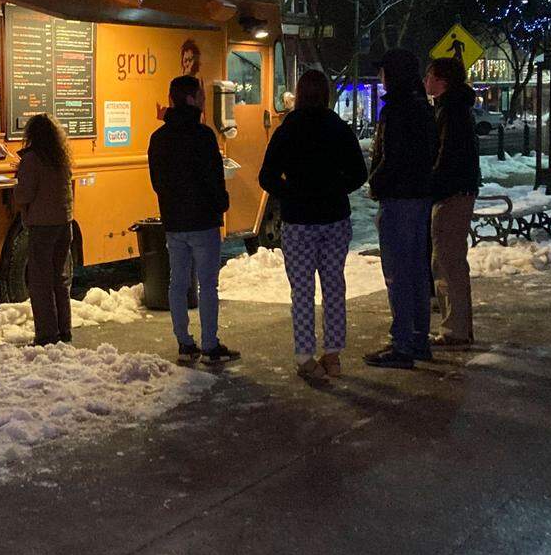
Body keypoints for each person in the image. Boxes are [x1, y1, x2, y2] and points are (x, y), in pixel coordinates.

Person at [259, 69, 367, 380]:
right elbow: (359, 174)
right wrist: (334, 189)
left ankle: (305, 356)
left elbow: (266, 176)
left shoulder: (287, 130)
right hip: (334, 219)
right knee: (334, 287)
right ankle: (332, 355)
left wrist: (292, 192)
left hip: (298, 222)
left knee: (302, 291)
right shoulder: (339, 128)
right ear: (327, 95)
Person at [148, 75, 239, 365]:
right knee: (207, 284)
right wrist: (220, 204)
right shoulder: (203, 136)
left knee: (177, 283)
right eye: (199, 95)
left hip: (174, 222)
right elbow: (214, 178)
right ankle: (210, 345)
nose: (203, 99)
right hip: (203, 221)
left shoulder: (159, 138)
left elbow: (157, 182)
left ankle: (185, 343)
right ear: (189, 98)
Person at [364, 48, 438, 369]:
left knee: (398, 272)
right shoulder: (422, 107)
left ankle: (403, 343)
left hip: (400, 199)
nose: (380, 77)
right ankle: (418, 339)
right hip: (419, 197)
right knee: (418, 270)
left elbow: (393, 158)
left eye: (383, 71)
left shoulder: (397, 110)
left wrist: (376, 182)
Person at [424, 57, 480, 349]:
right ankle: (458, 326)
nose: (426, 81)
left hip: (451, 194)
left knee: (447, 260)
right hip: (457, 190)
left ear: (441, 80)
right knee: (448, 259)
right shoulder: (455, 108)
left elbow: (446, 158)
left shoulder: (450, 111)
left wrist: (431, 185)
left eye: (430, 76)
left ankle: (455, 330)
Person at [14, 113, 75, 346]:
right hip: (64, 223)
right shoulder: (61, 157)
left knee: (40, 281)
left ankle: (47, 335)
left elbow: (25, 194)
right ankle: (64, 330)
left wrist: (16, 185)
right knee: (60, 278)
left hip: (42, 226)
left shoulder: (32, 159)